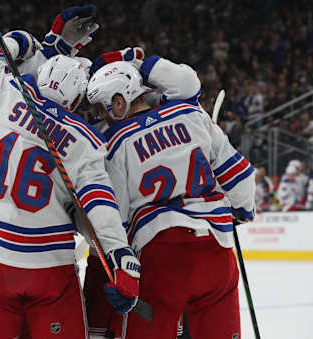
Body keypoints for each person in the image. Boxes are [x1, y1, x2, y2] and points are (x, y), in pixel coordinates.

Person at [0, 7, 140, 339]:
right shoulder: (85, 139)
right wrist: (120, 256)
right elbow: (99, 204)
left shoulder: (6, 96)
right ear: (77, 99)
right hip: (49, 263)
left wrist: (25, 42)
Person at [86, 54, 256, 338]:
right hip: (216, 249)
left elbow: (117, 218)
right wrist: (241, 211)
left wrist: (121, 268)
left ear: (118, 101)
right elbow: (240, 174)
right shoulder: (192, 114)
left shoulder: (115, 143)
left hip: (162, 256)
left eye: (100, 108)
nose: (98, 116)